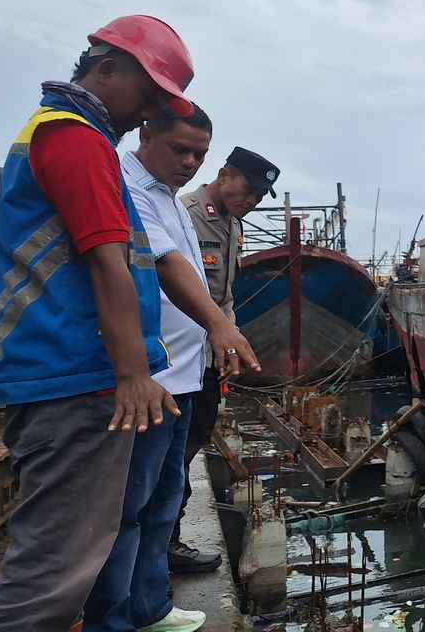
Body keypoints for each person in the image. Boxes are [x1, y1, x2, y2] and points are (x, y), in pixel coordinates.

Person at [0, 15, 191, 632]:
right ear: (107, 69)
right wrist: (132, 373)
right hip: (71, 377)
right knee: (53, 571)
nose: (148, 116)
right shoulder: (75, 139)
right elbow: (107, 259)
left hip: (68, 370)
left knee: (70, 558)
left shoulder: (66, 135)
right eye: (148, 98)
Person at [83, 105, 260, 632]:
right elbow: (165, 265)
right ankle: (112, 618)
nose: (189, 162)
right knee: (127, 510)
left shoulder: (168, 198)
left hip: (185, 376)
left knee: (162, 502)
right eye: (180, 149)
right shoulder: (130, 186)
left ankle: (151, 605)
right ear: (147, 133)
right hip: (150, 379)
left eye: (199, 154)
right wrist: (219, 327)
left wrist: (212, 348)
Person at [168, 146, 279, 573]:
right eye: (247, 190)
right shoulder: (186, 214)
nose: (250, 201)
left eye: (257, 197)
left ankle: (169, 541)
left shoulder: (232, 224)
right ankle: (164, 545)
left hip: (209, 360)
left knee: (191, 445)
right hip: (179, 358)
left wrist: (228, 343)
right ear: (224, 174)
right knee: (170, 457)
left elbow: (224, 296)